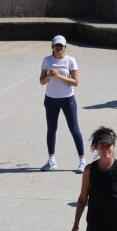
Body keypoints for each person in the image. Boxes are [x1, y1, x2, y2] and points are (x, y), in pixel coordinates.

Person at [39, 35, 85, 172]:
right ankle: (51, 159)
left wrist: (59, 75)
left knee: (74, 129)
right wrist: (49, 76)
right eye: (56, 45)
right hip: (50, 99)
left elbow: (76, 82)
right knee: (51, 129)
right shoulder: (47, 60)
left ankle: (82, 161)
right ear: (52, 46)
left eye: (61, 46)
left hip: (67, 99)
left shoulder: (71, 61)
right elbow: (41, 81)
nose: (59, 48)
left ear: (65, 47)